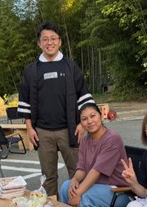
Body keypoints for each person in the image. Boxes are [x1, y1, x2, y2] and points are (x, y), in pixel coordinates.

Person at [17, 21, 95, 197]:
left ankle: (79, 206)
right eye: (45, 39)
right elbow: (25, 100)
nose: (49, 42)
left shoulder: (70, 67)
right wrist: (29, 128)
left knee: (77, 172)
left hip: (70, 129)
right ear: (39, 43)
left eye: (53, 38)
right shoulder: (31, 70)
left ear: (60, 41)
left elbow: (83, 96)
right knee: (48, 176)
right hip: (42, 131)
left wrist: (81, 124)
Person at [59, 103, 130, 207]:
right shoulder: (85, 140)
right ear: (81, 123)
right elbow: (82, 169)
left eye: (93, 116)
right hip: (97, 186)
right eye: (84, 119)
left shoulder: (112, 139)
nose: (89, 121)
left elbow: (96, 171)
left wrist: (78, 193)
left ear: (101, 116)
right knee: (66, 187)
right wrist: (74, 179)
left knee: (84, 195)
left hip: (119, 191)